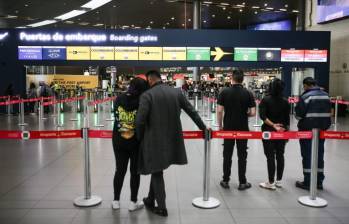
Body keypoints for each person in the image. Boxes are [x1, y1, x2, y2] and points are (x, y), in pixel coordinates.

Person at [136, 70, 207, 217]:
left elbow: (140, 121)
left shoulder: (147, 95)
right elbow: (191, 111)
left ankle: (162, 208)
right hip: (172, 138)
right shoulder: (176, 93)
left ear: (149, 79)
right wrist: (203, 128)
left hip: (153, 140)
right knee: (157, 169)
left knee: (156, 171)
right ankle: (150, 199)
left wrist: (139, 137)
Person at [111, 78, 149, 211]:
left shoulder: (119, 98)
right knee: (134, 172)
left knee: (119, 170)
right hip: (135, 141)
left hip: (118, 138)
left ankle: (116, 200)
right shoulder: (142, 100)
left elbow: (115, 115)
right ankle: (133, 202)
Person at [217, 69, 256, 190]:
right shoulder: (248, 93)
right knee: (242, 155)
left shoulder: (224, 92)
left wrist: (220, 126)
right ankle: (242, 182)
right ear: (242, 79)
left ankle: (225, 180)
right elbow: (253, 112)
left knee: (227, 154)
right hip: (243, 128)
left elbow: (219, 111)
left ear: (231, 78)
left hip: (228, 127)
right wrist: (245, 115)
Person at [295, 77, 331, 190]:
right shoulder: (326, 95)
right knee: (319, 155)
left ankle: (308, 181)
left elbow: (298, 115)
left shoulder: (306, 96)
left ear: (306, 85)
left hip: (307, 130)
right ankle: (319, 181)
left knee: (307, 155)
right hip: (322, 131)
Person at [258, 78, 291, 190]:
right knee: (280, 155)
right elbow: (287, 120)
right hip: (282, 131)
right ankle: (279, 181)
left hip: (268, 131)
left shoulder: (265, 100)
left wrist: (273, 125)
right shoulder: (286, 101)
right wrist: (287, 134)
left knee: (270, 156)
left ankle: (271, 182)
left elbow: (263, 116)